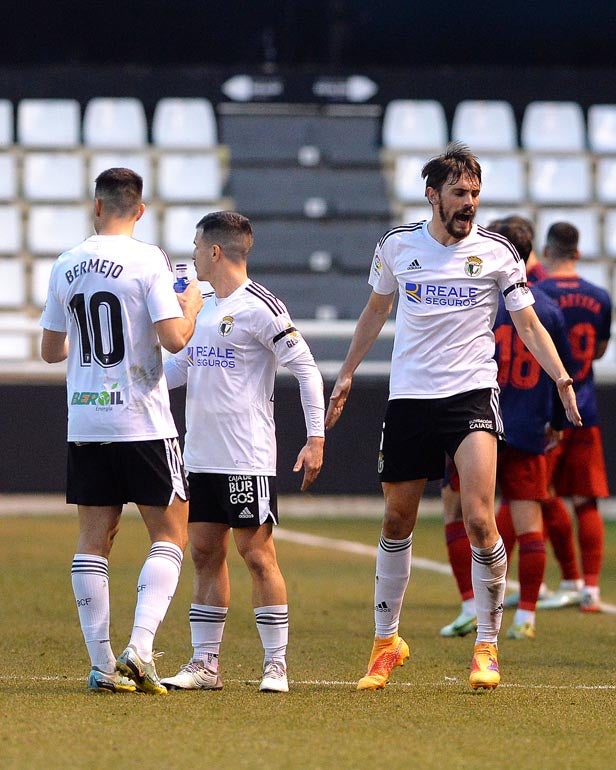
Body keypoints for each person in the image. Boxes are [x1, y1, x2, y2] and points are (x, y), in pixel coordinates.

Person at [326, 143, 580, 692]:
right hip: (411, 400)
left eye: (475, 194)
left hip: (470, 395)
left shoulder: (498, 252)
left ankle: (486, 647)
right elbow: (376, 310)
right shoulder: (396, 246)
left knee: (480, 518)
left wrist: (561, 377)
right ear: (432, 195)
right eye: (460, 194)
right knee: (397, 520)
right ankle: (385, 642)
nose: (469, 204)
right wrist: (347, 372)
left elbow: (530, 325)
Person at [39, 167, 203, 694]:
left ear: (96, 206)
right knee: (171, 533)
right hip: (141, 419)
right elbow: (175, 340)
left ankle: (102, 664)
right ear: (140, 209)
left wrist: (83, 346)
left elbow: (49, 350)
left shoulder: (66, 264)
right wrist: (192, 306)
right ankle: (141, 644)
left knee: (94, 540)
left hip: (86, 416)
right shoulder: (149, 260)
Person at [157, 212, 325, 694]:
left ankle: (276, 664)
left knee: (256, 553)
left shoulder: (261, 307)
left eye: (195, 246)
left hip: (246, 456)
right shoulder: (200, 305)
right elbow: (181, 370)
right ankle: (205, 664)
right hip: (200, 456)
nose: (191, 254)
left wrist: (316, 438)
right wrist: (136, 380)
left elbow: (307, 370)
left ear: (214, 251)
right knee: (205, 553)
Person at [438, 215, 574, 641]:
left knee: (457, 512)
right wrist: (555, 422)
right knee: (528, 520)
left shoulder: (473, 298)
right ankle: (526, 615)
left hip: (471, 421)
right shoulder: (548, 308)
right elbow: (560, 371)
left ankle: (468, 607)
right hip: (527, 427)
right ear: (530, 253)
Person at [534, 222, 613, 612]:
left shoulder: (538, 294)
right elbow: (598, 350)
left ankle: (569, 578)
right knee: (587, 500)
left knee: (540, 494)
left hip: (546, 410)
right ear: (578, 252)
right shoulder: (600, 297)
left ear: (546, 253)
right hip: (587, 407)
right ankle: (592, 590)